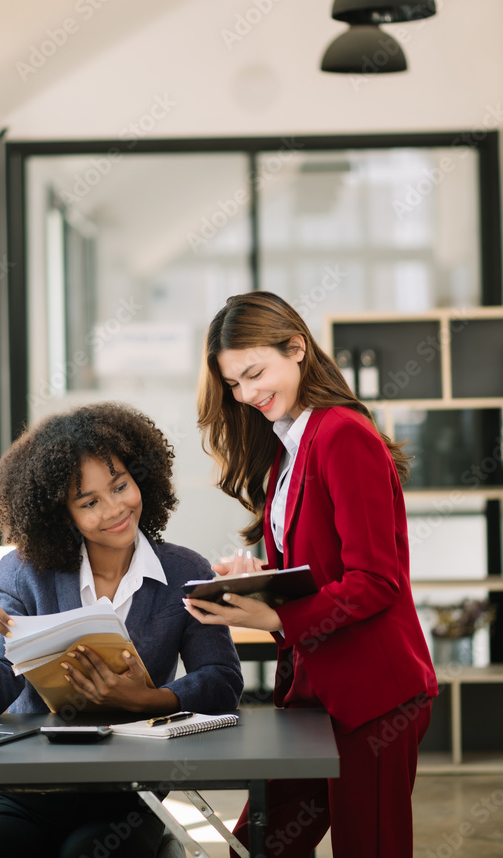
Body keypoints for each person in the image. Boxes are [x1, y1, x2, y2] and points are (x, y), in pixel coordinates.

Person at [184, 290, 438, 858]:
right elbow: (320, 568)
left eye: (255, 373)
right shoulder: (287, 449)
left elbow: (375, 579)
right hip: (312, 693)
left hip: (373, 698)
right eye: (234, 385)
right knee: (254, 845)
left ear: (296, 348)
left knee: (368, 848)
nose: (247, 395)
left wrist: (273, 613)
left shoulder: (342, 434)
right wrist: (258, 578)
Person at [0, 402, 243, 858]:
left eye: (120, 486)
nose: (114, 509)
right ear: (60, 515)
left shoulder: (185, 570)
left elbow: (222, 681)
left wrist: (146, 700)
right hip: (26, 789)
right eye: (89, 502)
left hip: (127, 791)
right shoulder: (22, 572)